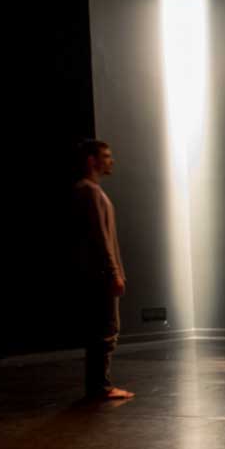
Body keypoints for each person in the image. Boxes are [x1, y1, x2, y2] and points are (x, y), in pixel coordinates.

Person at [74, 140, 133, 400]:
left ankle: (99, 386)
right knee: (106, 330)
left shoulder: (89, 191)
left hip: (97, 274)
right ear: (92, 160)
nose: (111, 160)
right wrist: (113, 273)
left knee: (101, 330)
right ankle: (100, 387)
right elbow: (100, 238)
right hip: (100, 276)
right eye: (106, 156)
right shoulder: (89, 192)